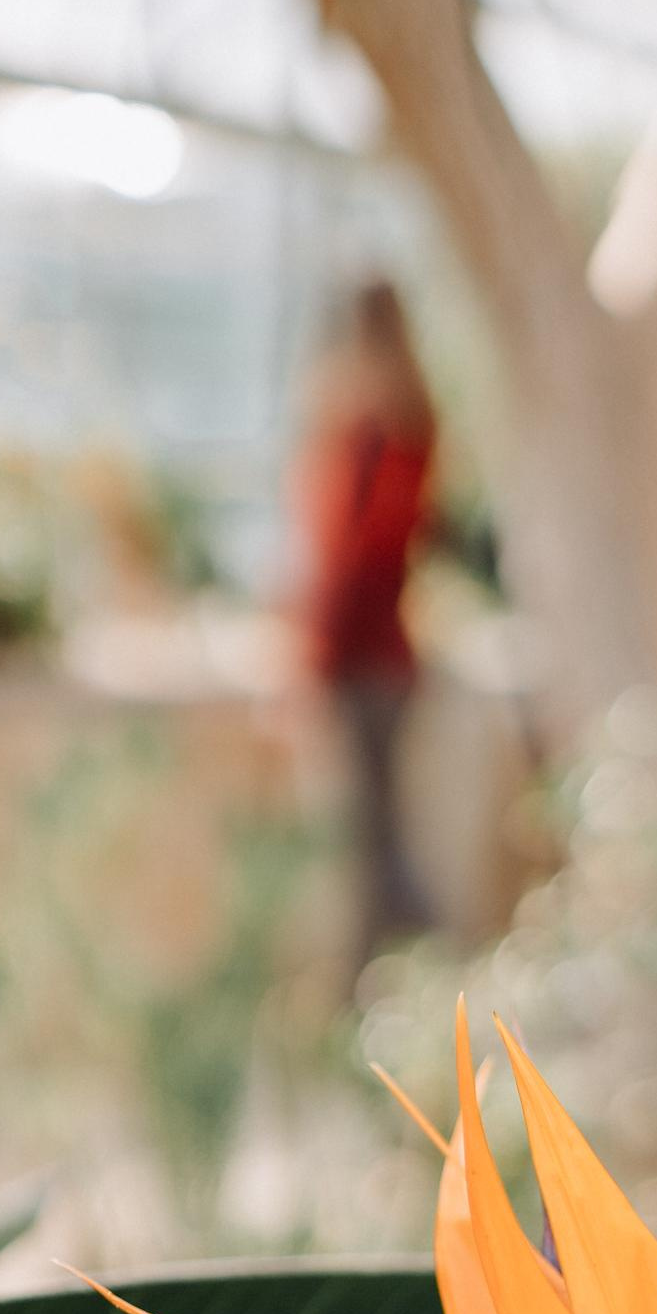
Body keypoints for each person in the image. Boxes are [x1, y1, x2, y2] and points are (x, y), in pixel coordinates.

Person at [296, 278, 439, 978]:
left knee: (373, 845)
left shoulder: (378, 438)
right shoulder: (405, 427)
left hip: (366, 663)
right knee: (377, 840)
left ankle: (398, 983)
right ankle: (399, 984)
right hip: (383, 659)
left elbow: (354, 563)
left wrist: (314, 659)